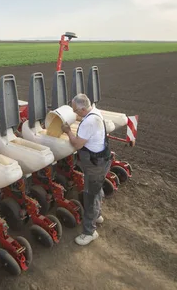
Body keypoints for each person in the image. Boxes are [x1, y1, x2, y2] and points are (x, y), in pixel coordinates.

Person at [61, 93, 112, 246]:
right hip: (102, 161)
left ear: (83, 109)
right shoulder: (95, 112)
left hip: (94, 164)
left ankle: (89, 232)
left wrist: (68, 131)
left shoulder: (89, 122)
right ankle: (98, 215)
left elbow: (77, 144)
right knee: (97, 190)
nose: (76, 114)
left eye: (76, 111)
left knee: (90, 197)